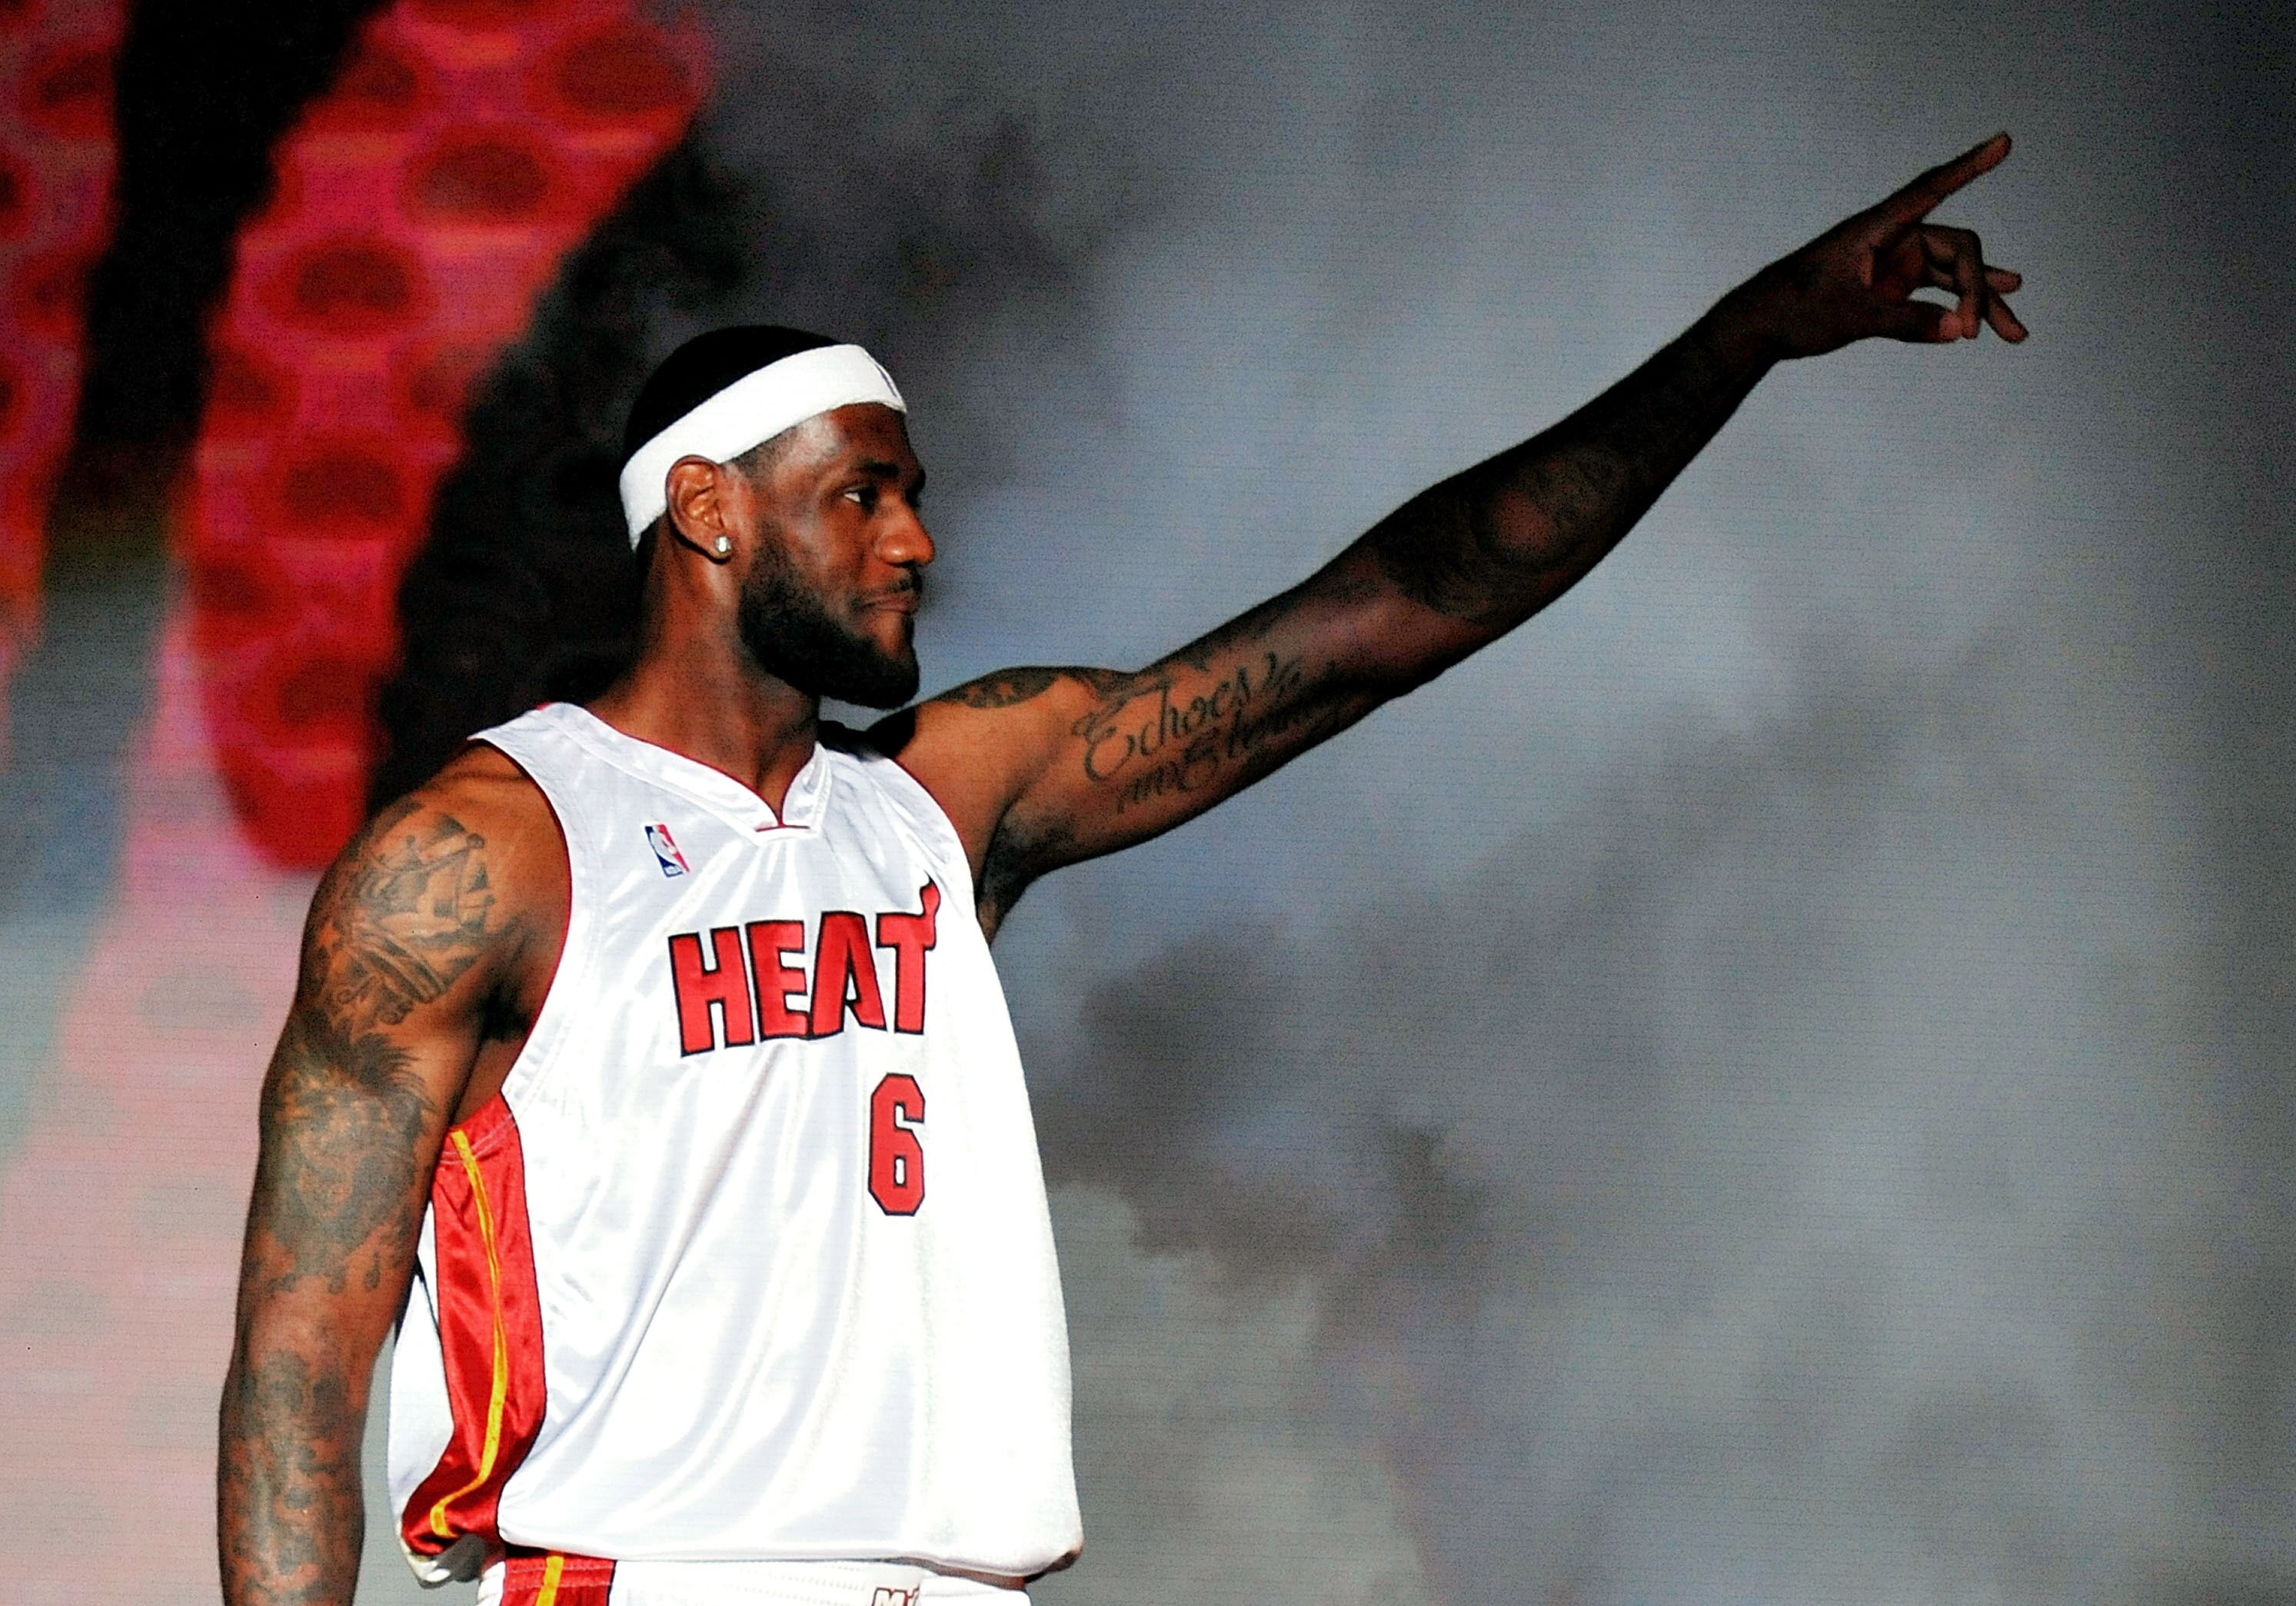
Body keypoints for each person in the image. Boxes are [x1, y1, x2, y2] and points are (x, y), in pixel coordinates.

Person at [218, 135, 2025, 1606]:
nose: (918, 538)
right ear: (708, 512)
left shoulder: (943, 801)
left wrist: (1741, 343)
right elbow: (304, 1352)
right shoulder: (485, 851)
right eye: (863, 492)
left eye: (914, 491)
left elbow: (1384, 617)